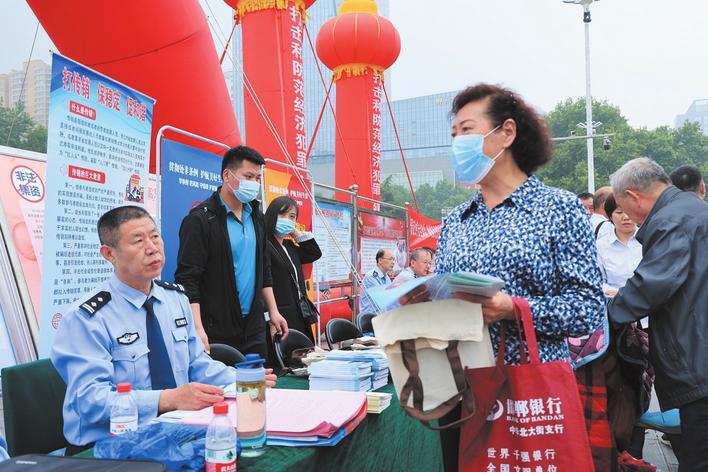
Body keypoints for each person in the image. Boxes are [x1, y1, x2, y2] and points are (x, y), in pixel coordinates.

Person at [401, 83, 605, 472]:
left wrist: (513, 308)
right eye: (454, 134)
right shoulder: (457, 220)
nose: (457, 143)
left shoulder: (559, 209)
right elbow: (442, 297)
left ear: (507, 132)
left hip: (529, 390)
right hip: (462, 392)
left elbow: (588, 309)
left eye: (467, 130)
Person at [50, 206, 277, 449]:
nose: (152, 248)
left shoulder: (175, 299)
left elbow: (197, 364)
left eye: (155, 236)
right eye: (138, 241)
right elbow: (89, 400)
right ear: (109, 253)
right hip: (111, 446)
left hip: (176, 430)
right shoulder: (87, 318)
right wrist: (167, 399)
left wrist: (240, 379)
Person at [608, 157, 708, 471]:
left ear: (633, 196)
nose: (626, 214)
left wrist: (603, 318)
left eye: (622, 205)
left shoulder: (671, 220)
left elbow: (651, 285)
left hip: (699, 363)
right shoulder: (689, 209)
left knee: (698, 459)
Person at [175, 146, 289, 358]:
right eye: (248, 176)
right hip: (215, 331)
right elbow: (188, 279)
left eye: (257, 178)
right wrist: (197, 327)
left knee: (258, 380)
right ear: (227, 175)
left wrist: (273, 311)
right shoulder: (200, 220)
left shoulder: (257, 217)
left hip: (254, 328)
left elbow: (264, 268)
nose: (254, 183)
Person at [264, 195, 322, 343]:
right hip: (279, 315)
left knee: (305, 352)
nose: (287, 220)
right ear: (272, 215)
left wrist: (294, 232)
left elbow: (314, 253)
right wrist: (269, 316)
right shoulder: (264, 245)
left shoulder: (289, 246)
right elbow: (262, 283)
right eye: (282, 215)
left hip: (299, 312)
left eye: (292, 217)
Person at [596, 194, 641, 297]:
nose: (626, 217)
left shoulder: (650, 240)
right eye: (619, 212)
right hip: (614, 301)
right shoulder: (600, 246)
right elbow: (597, 280)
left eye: (630, 212)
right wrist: (619, 293)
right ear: (610, 216)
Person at [358, 249, 395, 315]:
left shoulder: (386, 276)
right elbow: (383, 297)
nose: (393, 262)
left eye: (393, 259)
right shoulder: (371, 277)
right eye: (390, 259)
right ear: (380, 260)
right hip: (370, 317)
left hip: (381, 315)